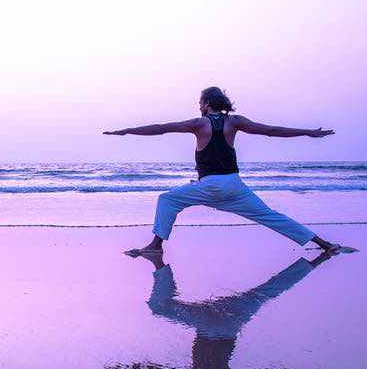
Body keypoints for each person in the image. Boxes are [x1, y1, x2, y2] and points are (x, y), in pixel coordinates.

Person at [103, 86, 340, 254]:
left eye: (200, 101)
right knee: (270, 216)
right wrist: (309, 132)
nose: (198, 105)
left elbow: (162, 128)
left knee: (168, 199)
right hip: (235, 186)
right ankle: (324, 244)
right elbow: (271, 130)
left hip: (211, 186)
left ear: (206, 104)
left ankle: (155, 246)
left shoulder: (200, 124)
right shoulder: (234, 122)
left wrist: (125, 131)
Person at [103, 250, 332, 369]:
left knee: (266, 292)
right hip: (207, 325)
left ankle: (318, 260)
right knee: (159, 307)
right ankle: (158, 264)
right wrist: (126, 368)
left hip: (231, 324)